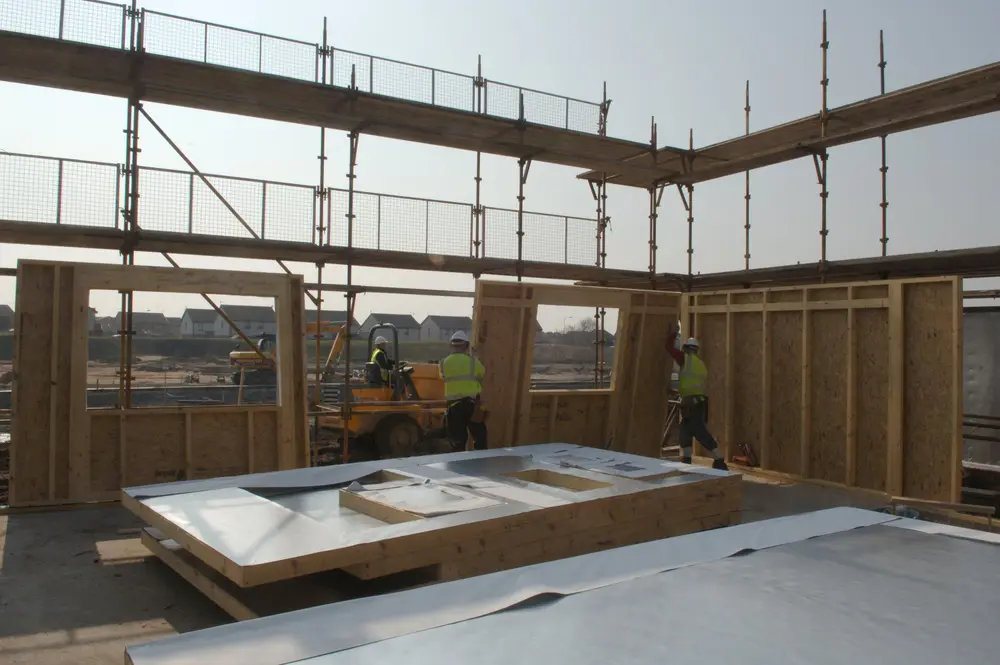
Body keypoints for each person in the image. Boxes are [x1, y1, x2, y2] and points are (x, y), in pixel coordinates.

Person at [666, 323, 728, 471]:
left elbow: (669, 348)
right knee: (685, 432)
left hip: (692, 404)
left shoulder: (684, 359)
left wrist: (674, 333)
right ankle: (686, 461)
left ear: (686, 348)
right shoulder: (700, 364)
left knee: (699, 432)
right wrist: (675, 391)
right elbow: (691, 385)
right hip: (696, 402)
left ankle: (719, 461)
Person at [439, 330, 487, 451]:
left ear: (452, 345)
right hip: (472, 405)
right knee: (480, 437)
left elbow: (443, 378)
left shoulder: (443, 363)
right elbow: (482, 374)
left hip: (454, 406)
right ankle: (481, 463)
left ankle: (458, 465)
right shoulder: (473, 362)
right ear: (466, 346)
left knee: (457, 440)